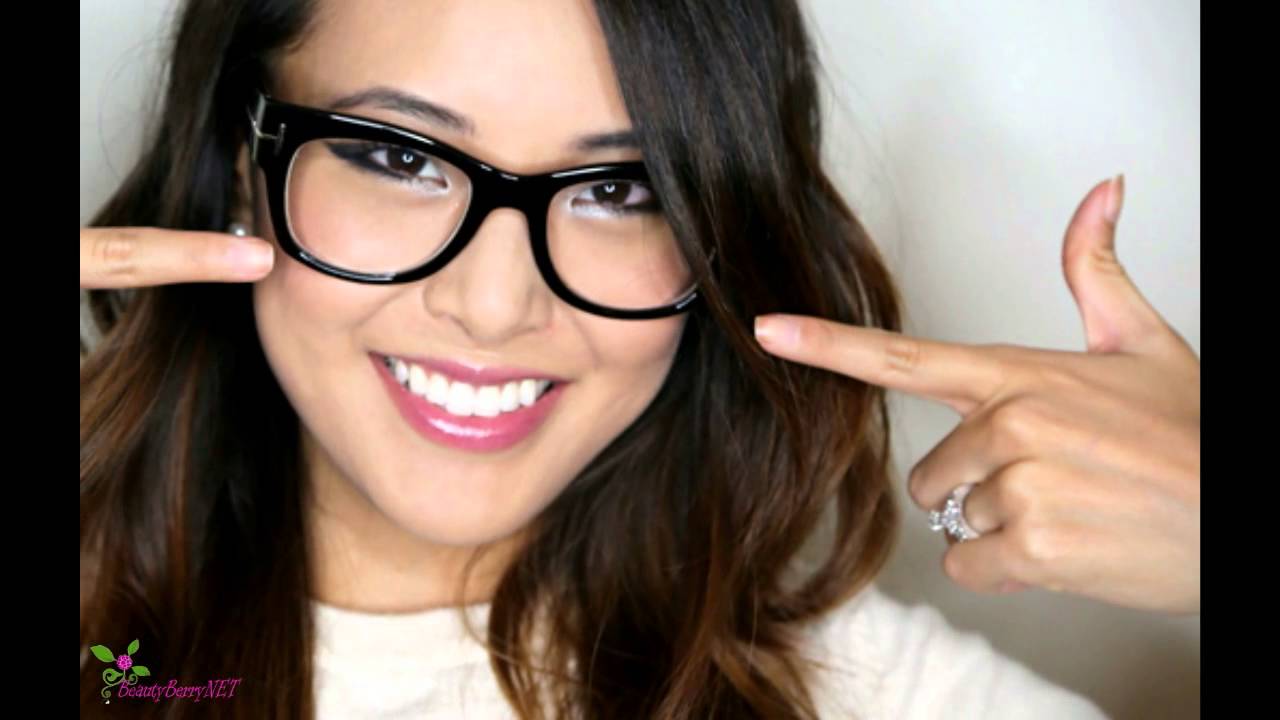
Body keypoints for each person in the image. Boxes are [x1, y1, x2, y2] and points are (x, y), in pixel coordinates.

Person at [80, 0, 1198, 717]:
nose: (494, 306)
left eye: (620, 190)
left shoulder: (864, 697)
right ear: (242, 164)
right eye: (398, 157)